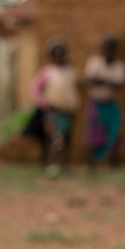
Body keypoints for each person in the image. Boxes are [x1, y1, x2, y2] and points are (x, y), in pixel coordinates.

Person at [24, 41, 80, 176]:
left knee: (67, 139)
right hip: (53, 110)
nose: (60, 56)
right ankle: (51, 166)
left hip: (68, 111)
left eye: (62, 53)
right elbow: (34, 90)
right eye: (57, 54)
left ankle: (65, 166)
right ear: (52, 56)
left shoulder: (70, 71)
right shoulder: (47, 72)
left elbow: (74, 90)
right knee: (54, 140)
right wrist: (44, 103)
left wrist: (76, 104)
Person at [84, 36, 125, 169]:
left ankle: (114, 164)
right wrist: (109, 82)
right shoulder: (94, 62)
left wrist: (101, 80)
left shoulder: (120, 66)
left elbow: (119, 84)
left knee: (114, 132)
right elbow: (90, 80)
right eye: (105, 48)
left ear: (115, 49)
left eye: (110, 48)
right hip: (95, 104)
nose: (107, 51)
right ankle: (92, 165)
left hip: (111, 103)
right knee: (94, 134)